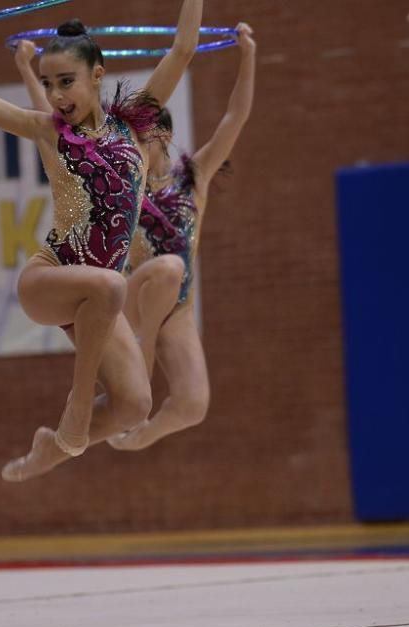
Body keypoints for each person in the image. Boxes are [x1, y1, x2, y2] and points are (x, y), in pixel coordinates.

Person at [0, 1, 203, 482]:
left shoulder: (134, 126)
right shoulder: (47, 132)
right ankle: (77, 408)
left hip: (96, 301)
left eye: (66, 81)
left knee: (135, 405)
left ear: (96, 76)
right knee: (112, 285)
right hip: (49, 280)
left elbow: (184, 47)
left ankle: (50, 449)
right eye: (47, 84)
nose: (55, 94)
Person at [110, 23, 256, 452]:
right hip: (135, 300)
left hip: (177, 309)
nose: (137, 142)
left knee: (194, 403)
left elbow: (235, 117)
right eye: (132, 135)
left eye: (144, 133)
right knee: (169, 267)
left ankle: (141, 435)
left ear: (165, 135)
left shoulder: (194, 179)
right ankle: (140, 358)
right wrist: (27, 69)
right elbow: (59, 133)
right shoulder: (123, 182)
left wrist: (246, 53)